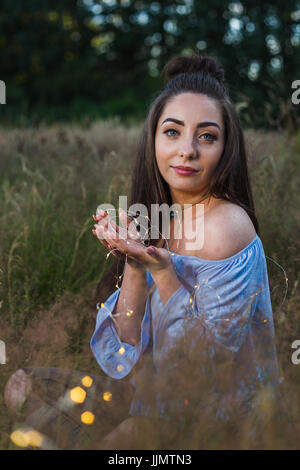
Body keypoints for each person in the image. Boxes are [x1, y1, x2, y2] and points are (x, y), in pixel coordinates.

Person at [90, 53, 281, 449]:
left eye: (207, 136)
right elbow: (123, 353)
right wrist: (135, 265)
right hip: (157, 407)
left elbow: (201, 367)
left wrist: (163, 273)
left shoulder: (225, 226)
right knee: (24, 389)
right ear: (153, 138)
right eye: (173, 132)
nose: (188, 150)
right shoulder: (159, 219)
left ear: (226, 148)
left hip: (221, 427)